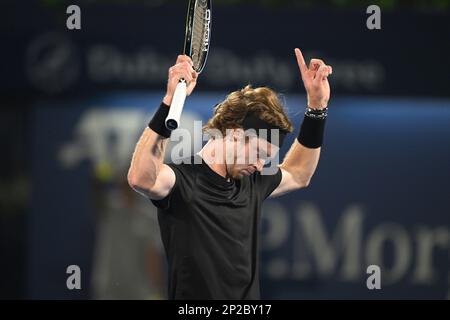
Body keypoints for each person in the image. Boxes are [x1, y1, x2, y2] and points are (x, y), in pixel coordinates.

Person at [128, 48, 332, 299]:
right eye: (257, 152)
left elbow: (300, 173)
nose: (259, 165)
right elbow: (140, 178)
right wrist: (169, 101)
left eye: (265, 158)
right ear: (235, 133)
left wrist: (317, 107)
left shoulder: (253, 181)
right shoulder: (182, 181)